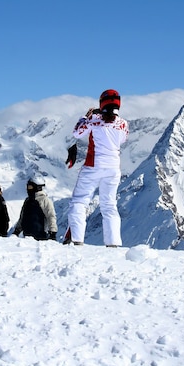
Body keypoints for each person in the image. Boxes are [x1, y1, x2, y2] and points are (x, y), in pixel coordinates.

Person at [66, 89, 129, 247]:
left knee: (80, 201)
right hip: (113, 167)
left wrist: (86, 115)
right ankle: (113, 242)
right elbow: (122, 140)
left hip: (93, 165)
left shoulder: (93, 120)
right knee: (109, 205)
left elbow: (76, 133)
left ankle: (77, 239)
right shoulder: (123, 123)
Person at [13, 176, 58, 240]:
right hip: (26, 238)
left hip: (40, 237)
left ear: (37, 187)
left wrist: (52, 232)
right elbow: (22, 217)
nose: (28, 189)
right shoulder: (27, 200)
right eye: (28, 187)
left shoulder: (44, 200)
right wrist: (17, 230)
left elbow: (51, 216)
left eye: (30, 187)